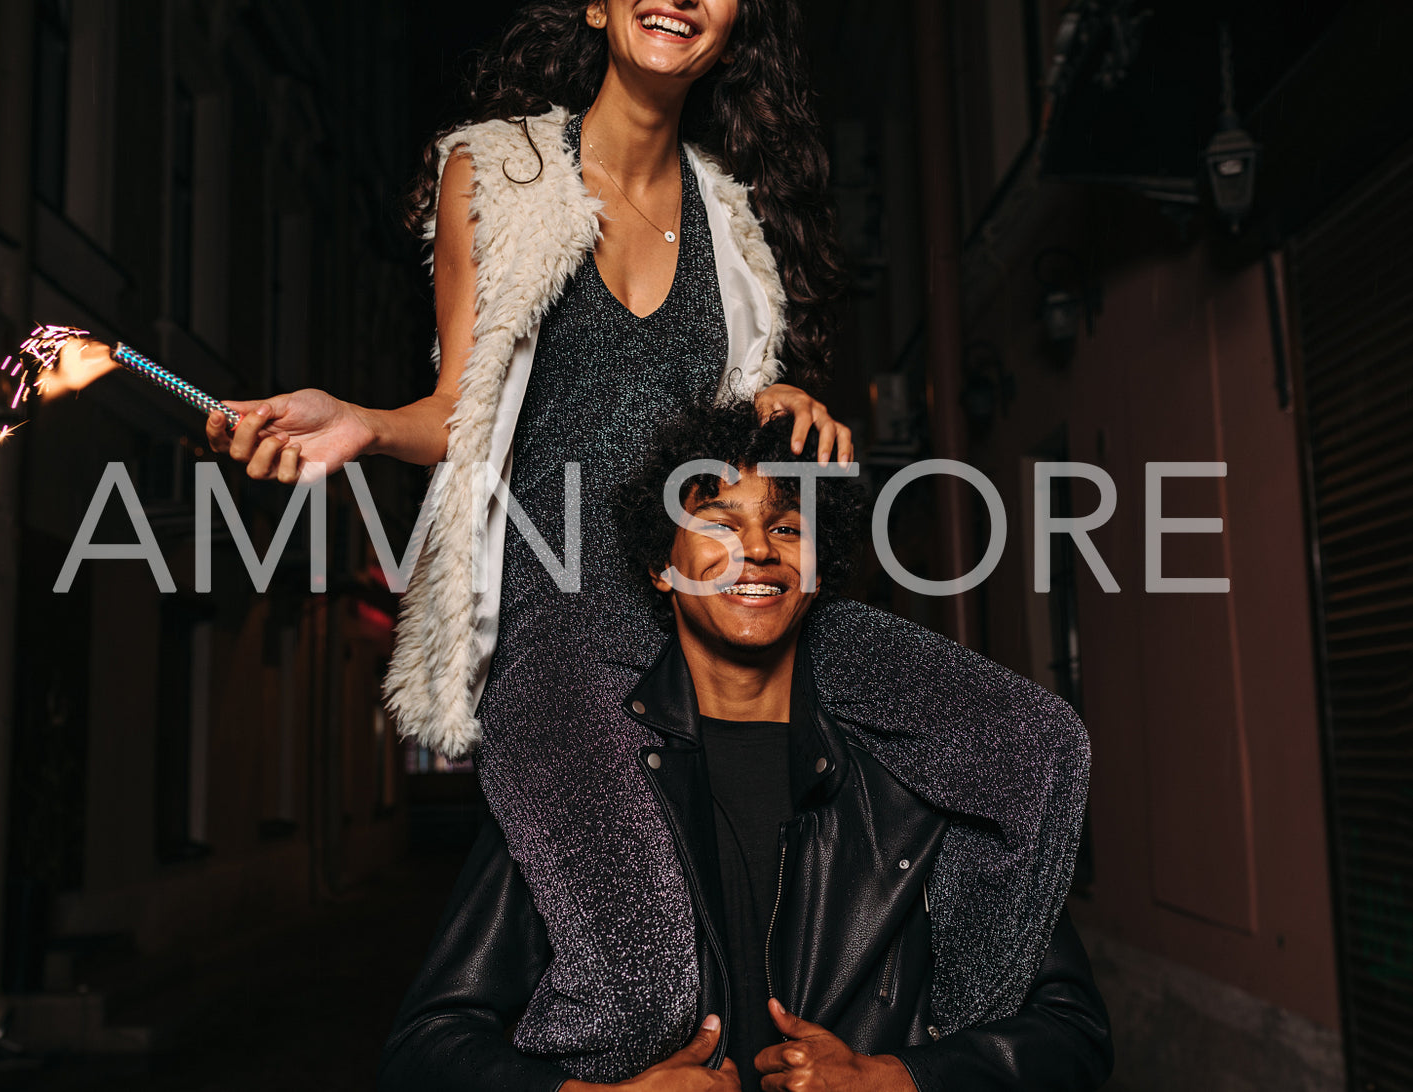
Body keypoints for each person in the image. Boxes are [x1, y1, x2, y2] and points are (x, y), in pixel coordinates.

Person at [199, 0, 1094, 1081]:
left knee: (1035, 751)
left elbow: (738, 447)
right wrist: (362, 424)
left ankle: (927, 1041)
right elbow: (463, 405)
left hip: (723, 606)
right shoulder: (497, 172)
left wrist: (791, 402)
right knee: (640, 981)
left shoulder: (733, 218)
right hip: (564, 626)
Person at [378, 400, 1112, 1092]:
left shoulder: (914, 775)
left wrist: (898, 1079)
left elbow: (1071, 1033)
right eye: (717, 523)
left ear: (816, 571)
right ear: (660, 568)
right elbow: (428, 1044)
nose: (756, 549)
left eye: (787, 529)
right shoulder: (584, 774)